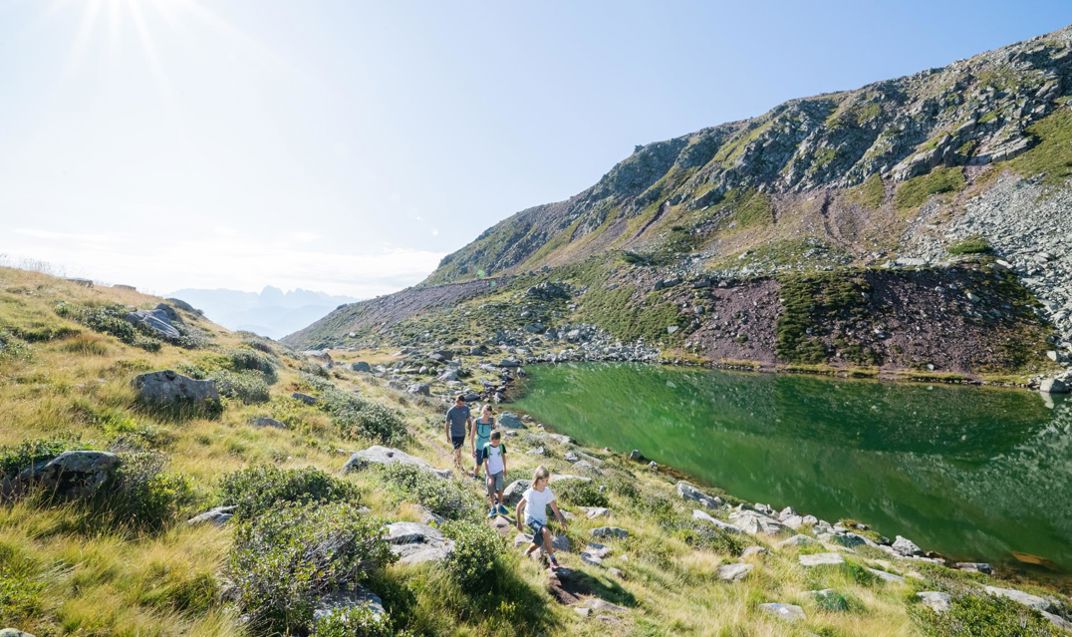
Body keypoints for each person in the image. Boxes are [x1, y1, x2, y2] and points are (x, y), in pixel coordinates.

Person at [515, 465, 567, 570]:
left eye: (547, 480)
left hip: (541, 520)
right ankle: (553, 560)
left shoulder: (547, 491)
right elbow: (518, 507)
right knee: (546, 532)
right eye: (543, 481)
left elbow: (554, 506)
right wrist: (519, 523)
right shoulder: (531, 492)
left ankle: (526, 553)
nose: (546, 483)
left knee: (538, 543)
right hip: (530, 518)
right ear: (537, 480)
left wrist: (561, 519)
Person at [482, 430, 508, 518]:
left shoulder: (501, 446)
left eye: (498, 441)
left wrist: (504, 467)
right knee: (490, 488)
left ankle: (500, 506)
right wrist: (489, 475)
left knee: (500, 489)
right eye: (494, 441)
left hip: (499, 471)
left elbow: (503, 456)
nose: (496, 443)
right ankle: (493, 508)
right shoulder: (486, 448)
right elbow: (485, 463)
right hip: (490, 472)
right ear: (491, 439)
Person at [444, 395, 472, 473]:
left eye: (463, 404)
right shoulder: (451, 411)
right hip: (454, 434)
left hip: (462, 433)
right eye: (460, 404)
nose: (461, 406)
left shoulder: (466, 409)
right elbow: (447, 423)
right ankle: (460, 467)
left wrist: (470, 431)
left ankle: (455, 461)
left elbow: (469, 420)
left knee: (458, 450)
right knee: (458, 451)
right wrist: (447, 436)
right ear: (456, 402)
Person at [471, 404, 495, 477]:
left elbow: (494, 434)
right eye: (484, 412)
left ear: (490, 414)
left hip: (490, 447)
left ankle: (487, 478)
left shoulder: (492, 421)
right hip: (479, 446)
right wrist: (472, 449)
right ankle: (475, 476)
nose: (485, 415)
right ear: (482, 411)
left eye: (487, 413)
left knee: (489, 465)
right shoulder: (476, 421)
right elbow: (471, 436)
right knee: (478, 465)